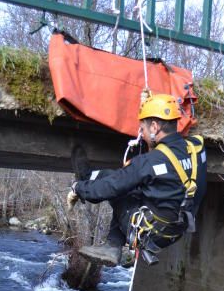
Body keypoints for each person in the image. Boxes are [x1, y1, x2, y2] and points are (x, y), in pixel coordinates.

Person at [67, 93, 207, 266]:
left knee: (111, 181)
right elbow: (166, 167)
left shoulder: (148, 163)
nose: (141, 134)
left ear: (154, 127)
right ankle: (112, 245)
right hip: (176, 231)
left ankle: (85, 178)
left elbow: (109, 188)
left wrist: (78, 188)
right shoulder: (197, 148)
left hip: (150, 233)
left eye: (143, 130)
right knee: (134, 187)